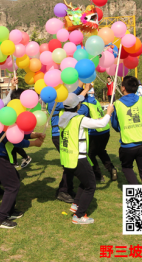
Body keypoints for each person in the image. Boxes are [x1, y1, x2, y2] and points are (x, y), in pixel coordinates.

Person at [0, 93, 45, 228]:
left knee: (13, 179)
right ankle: (0, 219)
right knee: (13, 185)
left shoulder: (7, 117)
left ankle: (9, 211)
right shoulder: (8, 120)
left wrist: (36, 134)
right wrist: (34, 143)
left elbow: (22, 131)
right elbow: (16, 139)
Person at [58, 93, 114, 224]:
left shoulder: (63, 117)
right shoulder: (80, 119)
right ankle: (79, 216)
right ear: (77, 105)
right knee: (91, 186)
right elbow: (102, 124)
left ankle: (76, 204)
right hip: (78, 158)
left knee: (85, 181)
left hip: (68, 158)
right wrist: (109, 112)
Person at [111, 76, 142, 185]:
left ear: (123, 88)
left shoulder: (117, 104)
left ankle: (136, 193)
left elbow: (115, 125)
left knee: (126, 168)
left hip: (127, 145)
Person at [47, 82, 85, 203]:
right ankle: (63, 191)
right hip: (59, 136)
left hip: (64, 135)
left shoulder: (60, 99)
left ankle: (67, 189)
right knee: (70, 164)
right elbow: (70, 98)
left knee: (70, 164)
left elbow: (74, 98)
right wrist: (80, 86)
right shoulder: (53, 102)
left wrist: (84, 89)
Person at [78, 87, 118, 183]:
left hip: (95, 132)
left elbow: (76, 117)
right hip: (105, 130)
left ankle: (99, 176)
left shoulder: (84, 105)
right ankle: (111, 169)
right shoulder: (94, 100)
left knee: (90, 155)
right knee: (101, 152)